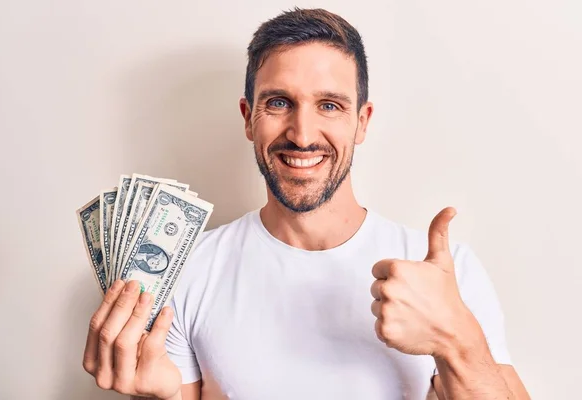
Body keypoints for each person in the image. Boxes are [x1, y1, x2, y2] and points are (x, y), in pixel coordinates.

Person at [82, 8, 530, 400]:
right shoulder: (190, 271)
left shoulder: (447, 274)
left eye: (330, 105)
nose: (302, 133)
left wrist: (456, 339)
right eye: (279, 102)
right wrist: (157, 398)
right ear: (247, 118)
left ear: (362, 121)